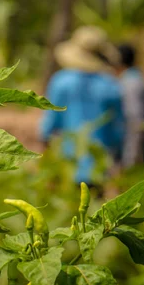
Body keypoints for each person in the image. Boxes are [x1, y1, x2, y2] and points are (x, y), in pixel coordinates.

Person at [39, 26, 124, 188]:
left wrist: (46, 161)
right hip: (99, 165)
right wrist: (118, 158)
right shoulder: (111, 85)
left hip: (69, 163)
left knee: (71, 209)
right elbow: (118, 130)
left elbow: (48, 127)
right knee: (95, 208)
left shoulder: (61, 82)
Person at [116, 43, 144, 168]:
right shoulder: (135, 77)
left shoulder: (131, 82)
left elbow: (134, 119)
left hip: (133, 146)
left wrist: (129, 160)